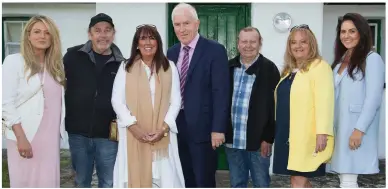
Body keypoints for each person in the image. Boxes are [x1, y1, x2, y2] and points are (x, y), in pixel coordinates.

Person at [112, 24, 184, 188]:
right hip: (133, 134)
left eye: (152, 38)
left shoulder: (169, 67)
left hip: (162, 135)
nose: (148, 42)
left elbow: (176, 101)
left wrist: (164, 128)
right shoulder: (125, 67)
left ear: (158, 42)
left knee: (165, 178)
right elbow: (117, 100)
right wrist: (132, 126)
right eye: (143, 38)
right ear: (137, 43)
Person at [166, 3, 230, 188]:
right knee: (183, 177)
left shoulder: (215, 50)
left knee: (203, 179)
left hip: (204, 129)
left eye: (186, 23)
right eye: (177, 25)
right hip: (176, 128)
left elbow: (221, 91)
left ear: (197, 24)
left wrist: (218, 129)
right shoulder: (172, 52)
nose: (182, 29)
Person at [2, 15, 68, 188]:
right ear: (28, 35)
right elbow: (5, 102)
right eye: (37, 31)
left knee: (48, 181)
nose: (42, 36)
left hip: (51, 138)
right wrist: (21, 137)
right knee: (24, 181)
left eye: (47, 32)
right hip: (25, 134)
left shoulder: (56, 67)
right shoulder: (14, 61)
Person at [63, 13, 124, 188]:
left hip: (108, 136)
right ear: (90, 34)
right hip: (78, 134)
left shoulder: (122, 64)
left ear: (113, 34)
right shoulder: (72, 56)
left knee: (108, 182)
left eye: (107, 31)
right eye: (97, 31)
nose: (102, 35)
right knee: (81, 181)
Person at [272, 24, 335, 188]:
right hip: (287, 134)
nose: (298, 46)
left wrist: (322, 132)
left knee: (298, 179)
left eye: (303, 42)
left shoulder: (320, 67)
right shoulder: (288, 71)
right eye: (293, 42)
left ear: (311, 44)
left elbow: (325, 101)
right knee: (298, 179)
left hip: (306, 135)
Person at [330, 13, 385, 188]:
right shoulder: (339, 62)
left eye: (352, 31)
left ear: (361, 33)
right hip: (339, 126)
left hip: (355, 128)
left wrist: (359, 130)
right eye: (343, 31)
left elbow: (374, 98)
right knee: (343, 176)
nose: (346, 36)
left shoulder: (372, 59)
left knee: (348, 177)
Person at [224, 26, 280, 188]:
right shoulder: (228, 67)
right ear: (238, 43)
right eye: (244, 41)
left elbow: (274, 107)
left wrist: (268, 138)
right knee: (237, 183)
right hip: (232, 141)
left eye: (252, 42)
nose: (248, 46)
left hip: (258, 142)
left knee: (261, 183)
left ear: (259, 43)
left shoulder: (269, 69)